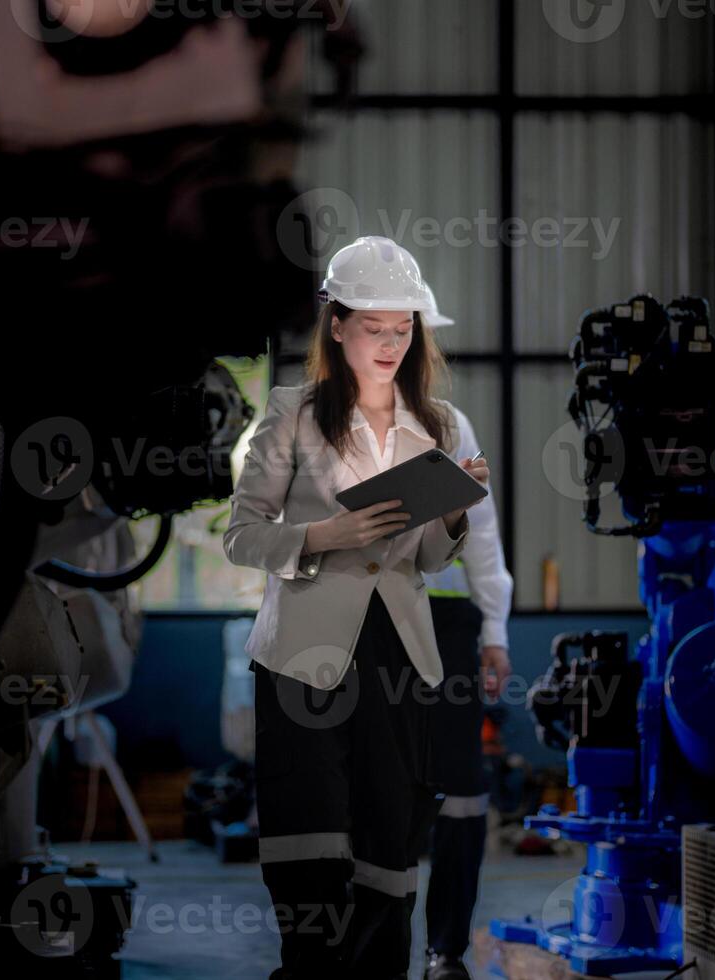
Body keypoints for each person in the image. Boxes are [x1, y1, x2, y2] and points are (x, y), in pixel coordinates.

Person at [223, 235, 491, 980]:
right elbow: (242, 538)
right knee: (307, 829)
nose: (391, 343)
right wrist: (324, 534)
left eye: (404, 328)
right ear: (335, 325)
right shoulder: (290, 413)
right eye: (374, 327)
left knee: (390, 832)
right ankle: (309, 970)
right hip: (304, 653)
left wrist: (456, 512)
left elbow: (429, 561)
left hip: (400, 654)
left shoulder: (433, 424)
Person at [417, 286, 513, 980]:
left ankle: (445, 948)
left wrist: (495, 631)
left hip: (447, 628)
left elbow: (481, 537)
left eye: (412, 333)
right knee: (375, 789)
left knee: (462, 790)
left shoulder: (451, 426)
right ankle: (369, 948)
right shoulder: (328, 428)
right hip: (364, 626)